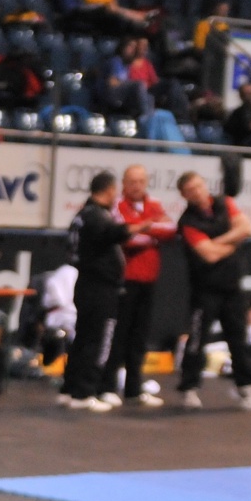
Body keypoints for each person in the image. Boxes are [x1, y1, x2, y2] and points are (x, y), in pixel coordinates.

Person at [58, 171, 152, 413]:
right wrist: (140, 226)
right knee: (98, 340)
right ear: (109, 190)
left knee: (83, 338)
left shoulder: (83, 215)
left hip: (88, 284)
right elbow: (115, 232)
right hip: (99, 287)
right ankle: (85, 391)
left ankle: (70, 389)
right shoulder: (97, 216)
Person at [175, 171, 251, 411]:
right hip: (205, 290)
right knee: (196, 341)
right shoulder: (187, 222)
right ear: (184, 196)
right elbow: (209, 255)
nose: (197, 192)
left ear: (204, 185)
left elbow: (246, 228)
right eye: (190, 191)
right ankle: (189, 389)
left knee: (239, 340)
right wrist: (233, 242)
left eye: (198, 186)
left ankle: (246, 387)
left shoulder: (225, 203)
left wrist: (218, 242)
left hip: (232, 288)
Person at [99, 165, 176, 408]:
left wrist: (143, 226)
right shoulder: (117, 206)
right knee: (119, 335)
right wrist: (151, 230)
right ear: (124, 183)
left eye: (141, 181)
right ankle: (107, 387)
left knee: (140, 337)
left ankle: (134, 389)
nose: (137, 186)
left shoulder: (154, 205)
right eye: (132, 181)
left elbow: (171, 230)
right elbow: (126, 237)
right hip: (125, 279)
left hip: (149, 280)